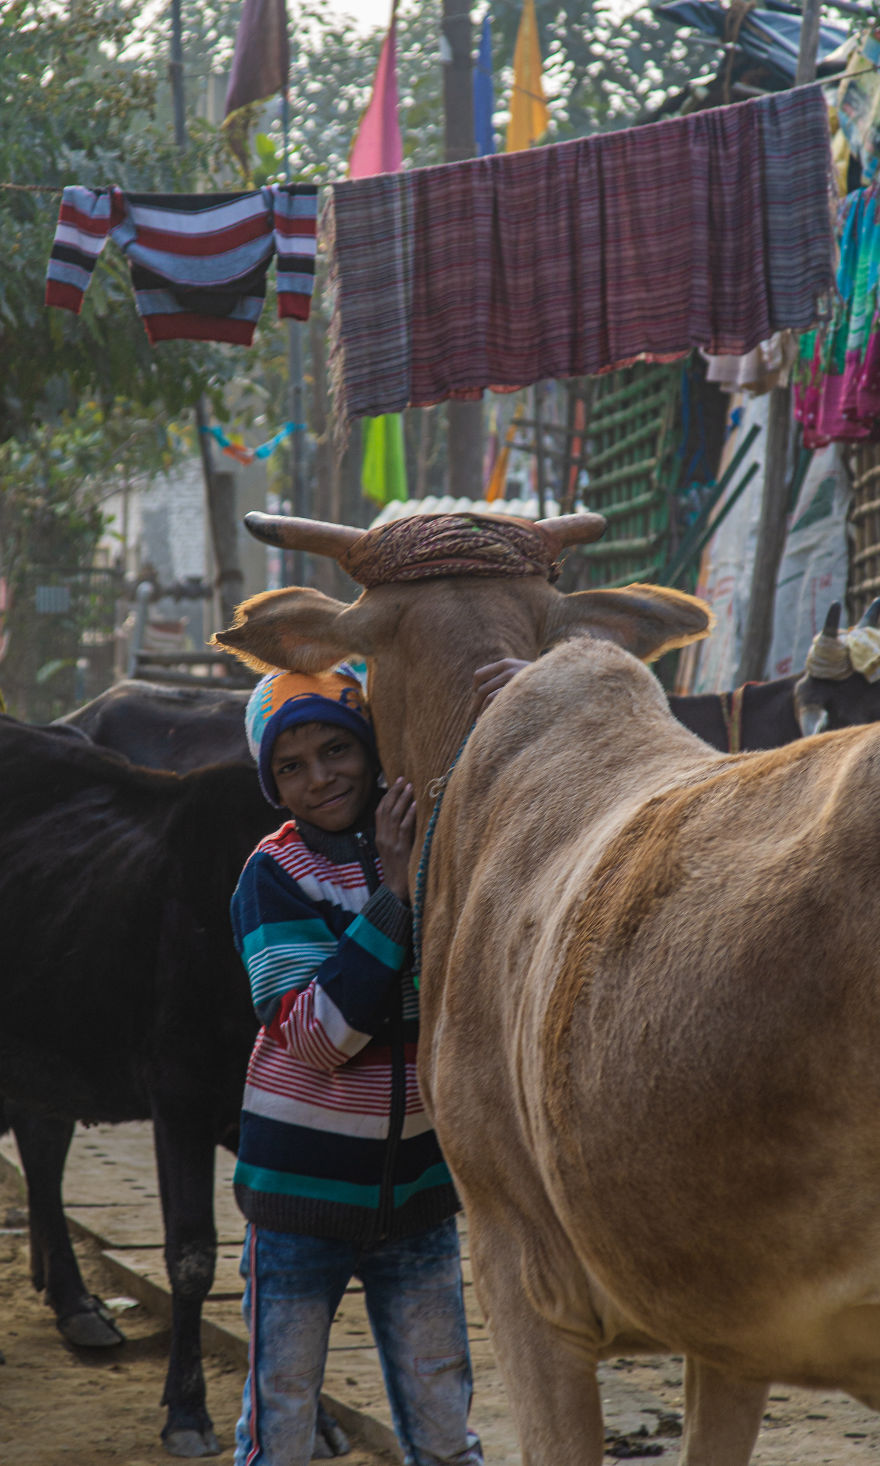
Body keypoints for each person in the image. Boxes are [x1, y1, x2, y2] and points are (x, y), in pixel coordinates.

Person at [232, 665, 483, 1466]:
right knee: (281, 1424)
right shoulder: (274, 876)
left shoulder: (434, 846)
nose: (320, 777)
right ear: (273, 785)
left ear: (373, 748)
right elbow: (319, 1035)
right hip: (296, 1202)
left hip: (418, 1196)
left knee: (445, 1427)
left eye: (336, 749)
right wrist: (396, 898)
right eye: (291, 766)